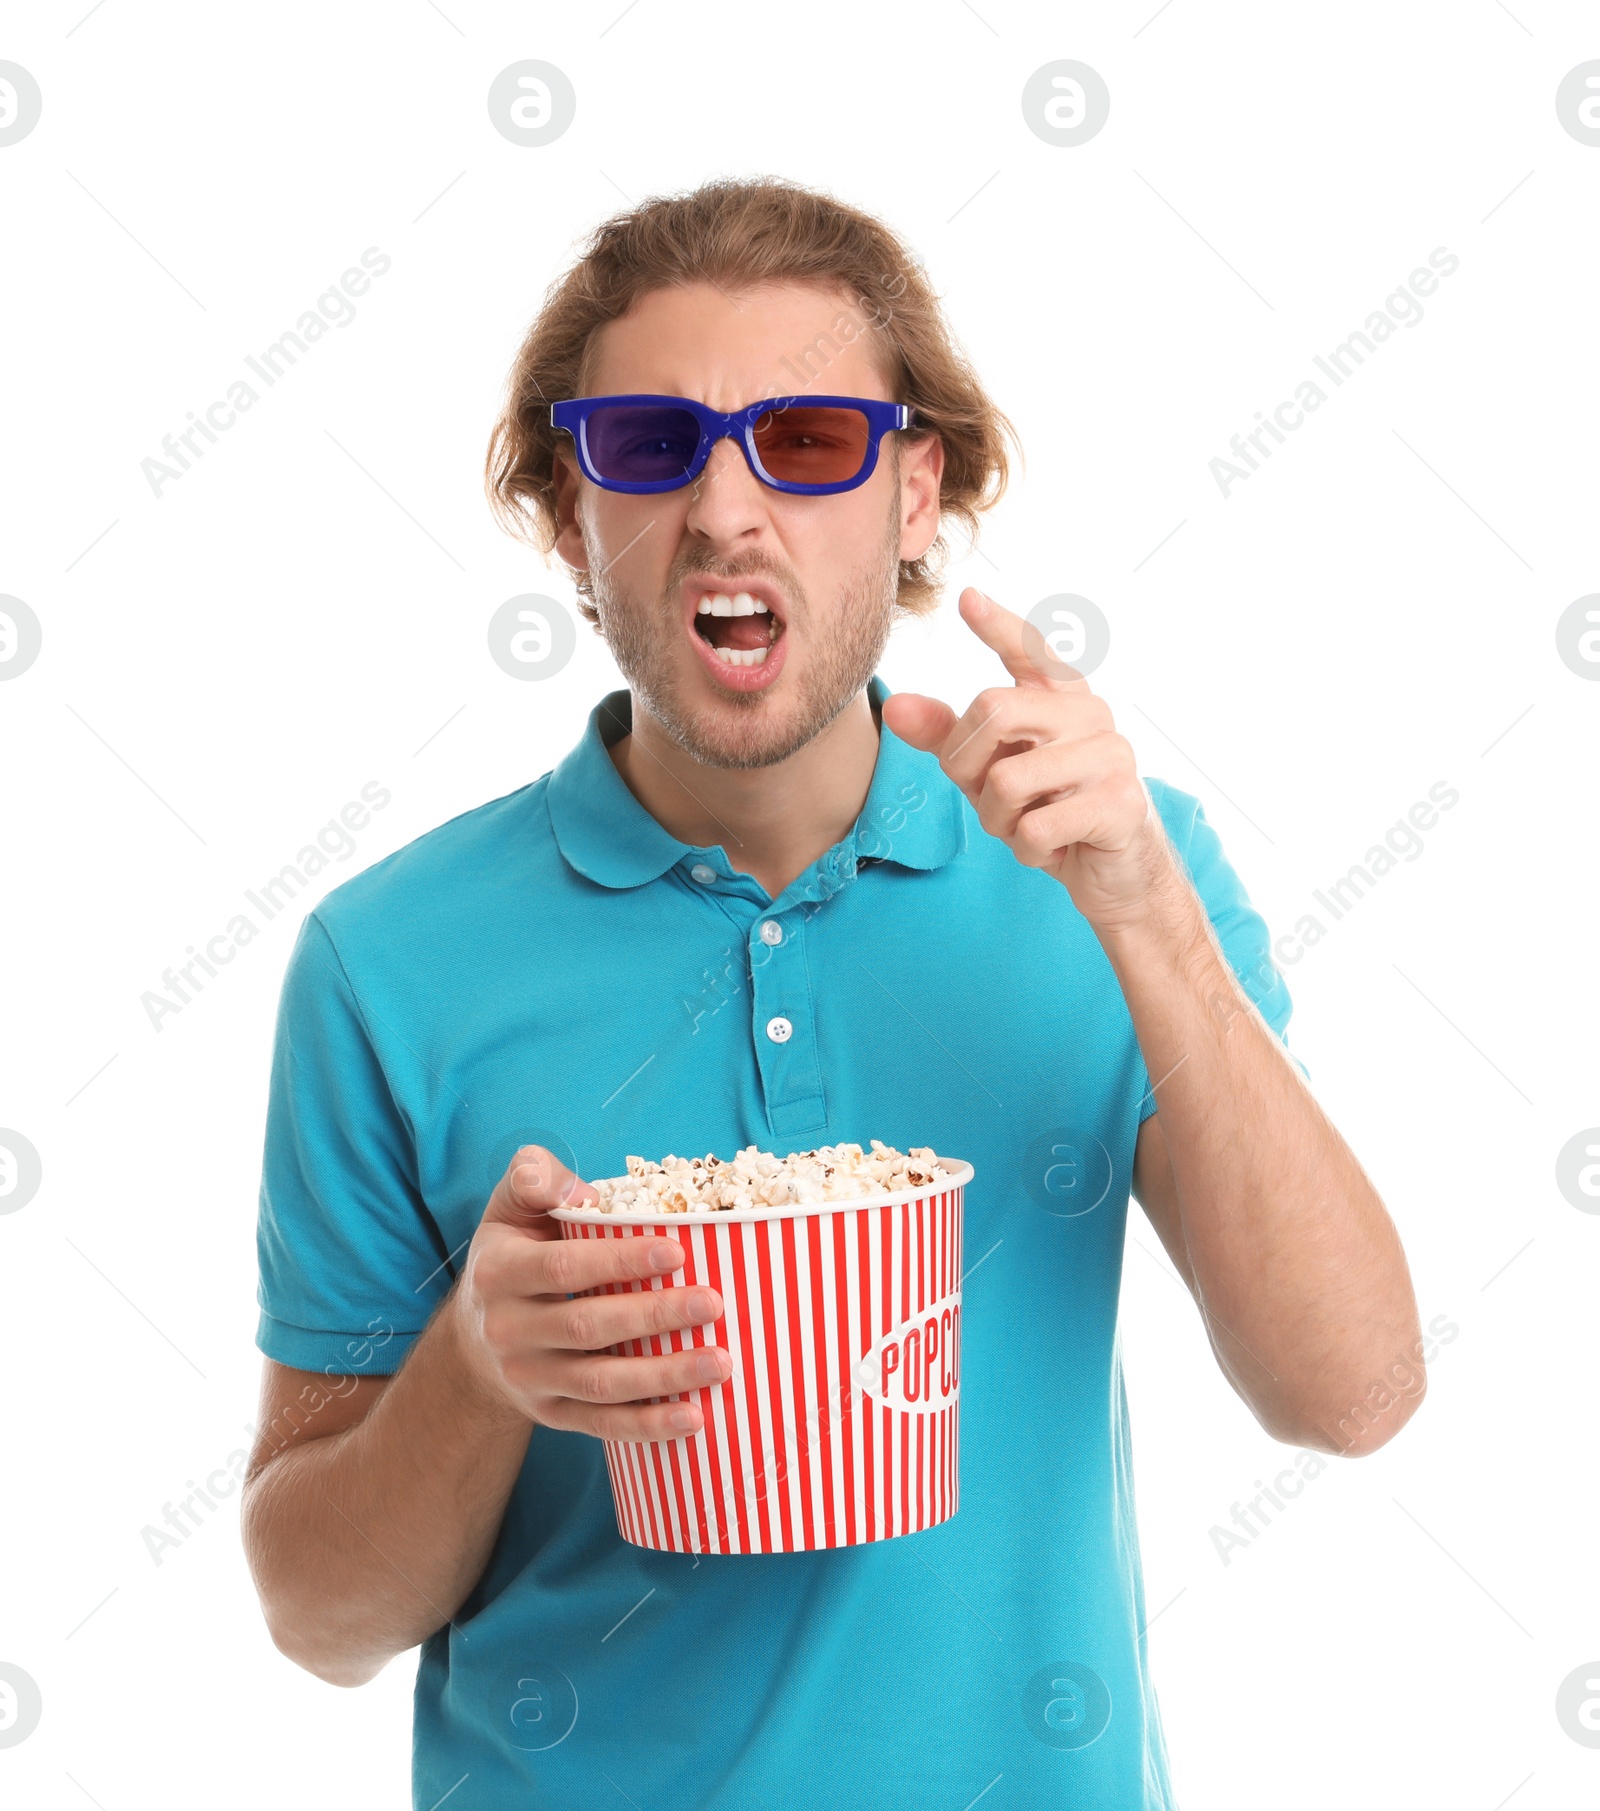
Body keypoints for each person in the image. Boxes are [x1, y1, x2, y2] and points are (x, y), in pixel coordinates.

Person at [241, 176, 1424, 1809]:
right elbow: (317, 1614)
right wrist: (480, 1368)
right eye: (651, 448)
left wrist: (1147, 919)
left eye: (804, 443)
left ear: (915, 489)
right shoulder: (386, 963)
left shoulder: (1113, 871)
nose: (729, 509)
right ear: (569, 516)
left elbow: (1352, 1394)